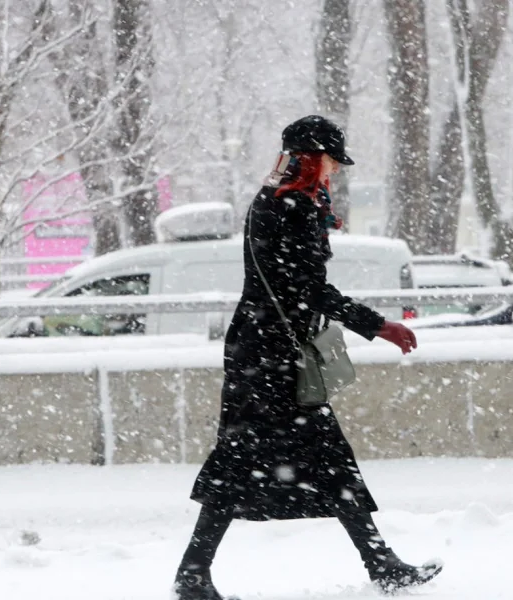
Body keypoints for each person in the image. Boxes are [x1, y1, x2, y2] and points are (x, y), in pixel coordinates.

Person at [172, 115, 442, 600]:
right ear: (314, 158)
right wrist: (377, 325)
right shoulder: (292, 205)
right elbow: (308, 288)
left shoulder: (273, 199)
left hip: (262, 349)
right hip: (274, 357)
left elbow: (293, 284)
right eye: (332, 161)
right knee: (273, 457)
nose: (334, 171)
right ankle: (194, 573)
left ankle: (196, 572)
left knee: (274, 456)